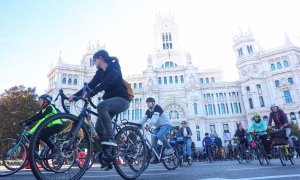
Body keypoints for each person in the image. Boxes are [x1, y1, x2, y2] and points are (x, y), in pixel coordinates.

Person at [69, 50, 131, 147]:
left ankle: (111, 137)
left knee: (101, 106)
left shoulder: (114, 65)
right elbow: (90, 85)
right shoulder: (99, 73)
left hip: (122, 100)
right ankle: (108, 153)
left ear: (100, 58)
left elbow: (109, 81)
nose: (94, 63)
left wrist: (92, 93)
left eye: (95, 60)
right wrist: (76, 96)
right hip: (110, 103)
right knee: (99, 129)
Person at [140, 97, 174, 164]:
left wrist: (150, 125)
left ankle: (169, 148)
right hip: (158, 127)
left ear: (153, 102)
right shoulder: (148, 111)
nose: (148, 104)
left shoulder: (157, 107)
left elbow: (155, 117)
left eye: (149, 102)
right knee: (153, 140)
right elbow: (143, 119)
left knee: (160, 135)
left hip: (166, 124)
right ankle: (155, 157)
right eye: (147, 103)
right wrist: (136, 125)